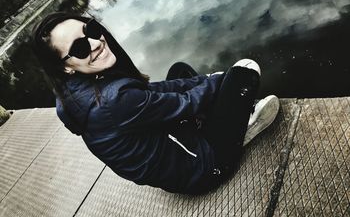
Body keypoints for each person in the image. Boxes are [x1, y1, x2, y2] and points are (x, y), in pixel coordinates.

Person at [32, 12, 279, 195]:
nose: (96, 43)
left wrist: (207, 81)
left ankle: (229, 115)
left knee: (179, 71)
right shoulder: (115, 101)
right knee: (245, 70)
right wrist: (219, 80)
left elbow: (153, 92)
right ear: (65, 66)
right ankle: (242, 126)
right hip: (204, 167)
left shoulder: (73, 92)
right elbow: (185, 103)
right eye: (79, 47)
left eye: (92, 30)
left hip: (177, 148)